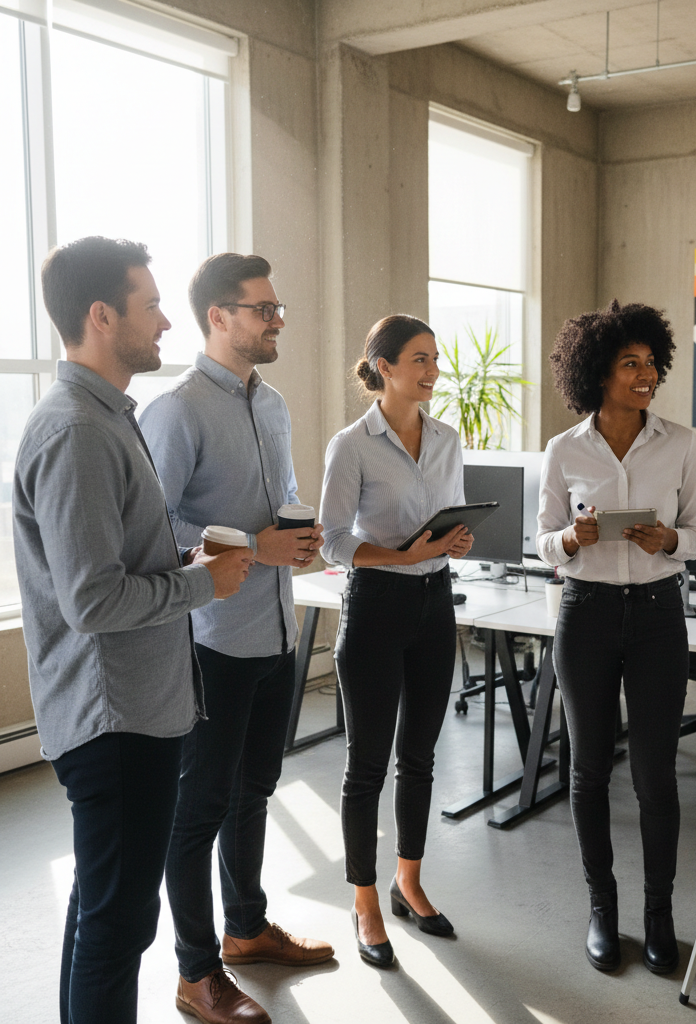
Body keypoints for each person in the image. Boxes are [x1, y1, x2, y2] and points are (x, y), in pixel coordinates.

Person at [13, 236, 251, 1024]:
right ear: (101, 316)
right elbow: (90, 599)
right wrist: (197, 582)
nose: (165, 324)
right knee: (118, 924)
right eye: (151, 306)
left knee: (102, 909)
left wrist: (177, 557)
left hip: (137, 711)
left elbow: (108, 560)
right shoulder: (77, 430)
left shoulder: (108, 417)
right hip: (115, 721)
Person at [139, 254, 333, 1024]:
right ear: (218, 317)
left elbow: (276, 499)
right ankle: (196, 974)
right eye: (263, 310)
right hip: (211, 639)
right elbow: (155, 530)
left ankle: (246, 929)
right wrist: (255, 542)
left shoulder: (273, 403)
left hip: (274, 631)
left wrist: (296, 530)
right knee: (200, 809)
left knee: (255, 790)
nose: (276, 319)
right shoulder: (177, 410)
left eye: (277, 308)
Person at [536, 300, 696, 975]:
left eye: (650, 363)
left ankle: (659, 914)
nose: (645, 375)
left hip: (659, 617)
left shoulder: (682, 444)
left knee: (653, 773)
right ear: (596, 374)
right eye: (629, 364)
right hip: (585, 613)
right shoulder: (563, 450)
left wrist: (668, 538)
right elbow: (544, 540)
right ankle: (602, 909)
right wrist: (569, 539)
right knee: (585, 769)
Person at [320, 315, 473, 968]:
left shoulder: (447, 438)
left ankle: (409, 883)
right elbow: (330, 541)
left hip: (435, 604)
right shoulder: (351, 445)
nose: (432, 369)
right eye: (419, 358)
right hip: (377, 608)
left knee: (421, 758)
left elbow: (451, 517)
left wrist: (453, 541)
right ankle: (365, 901)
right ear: (384, 367)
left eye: (435, 358)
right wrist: (404, 552)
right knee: (367, 768)